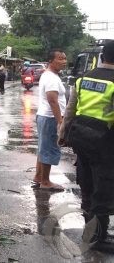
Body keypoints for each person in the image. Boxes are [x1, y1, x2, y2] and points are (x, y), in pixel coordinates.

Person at [59, 41, 114, 252]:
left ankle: (89, 231)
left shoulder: (84, 78)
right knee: (104, 187)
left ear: (102, 57)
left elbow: (71, 109)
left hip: (80, 138)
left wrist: (62, 135)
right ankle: (98, 238)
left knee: (87, 182)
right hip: (104, 141)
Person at [32, 49, 67, 191]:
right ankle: (45, 182)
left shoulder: (50, 75)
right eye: (60, 59)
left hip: (46, 117)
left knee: (43, 148)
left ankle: (39, 176)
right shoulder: (51, 78)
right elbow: (52, 100)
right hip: (50, 117)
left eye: (65, 59)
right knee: (49, 149)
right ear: (51, 61)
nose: (64, 61)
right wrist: (60, 121)